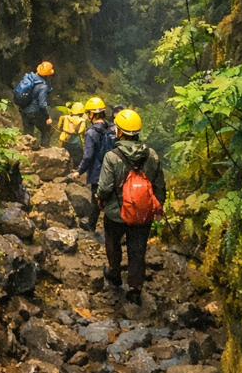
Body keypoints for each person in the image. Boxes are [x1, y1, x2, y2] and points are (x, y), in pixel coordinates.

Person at [96, 108, 166, 305]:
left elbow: (105, 187)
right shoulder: (151, 155)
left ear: (119, 131)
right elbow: (159, 185)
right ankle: (135, 288)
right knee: (137, 250)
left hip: (116, 212)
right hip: (143, 212)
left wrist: (100, 199)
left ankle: (115, 273)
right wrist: (158, 205)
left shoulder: (112, 156)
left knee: (113, 241)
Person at [71, 97, 114, 231]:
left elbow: (88, 156)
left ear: (91, 114)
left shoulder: (91, 133)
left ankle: (91, 226)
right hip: (112, 170)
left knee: (95, 199)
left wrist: (79, 171)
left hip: (97, 171)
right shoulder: (112, 128)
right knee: (111, 199)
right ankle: (111, 228)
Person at [18, 61, 55, 146]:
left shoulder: (28, 77)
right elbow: (42, 104)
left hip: (23, 109)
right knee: (46, 129)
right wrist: (47, 117)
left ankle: (26, 150)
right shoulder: (43, 86)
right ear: (47, 74)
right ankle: (45, 150)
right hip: (34, 112)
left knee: (28, 132)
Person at [57, 101, 87, 167]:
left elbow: (59, 127)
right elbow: (81, 131)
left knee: (63, 156)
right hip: (76, 142)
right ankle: (75, 169)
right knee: (77, 158)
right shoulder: (82, 121)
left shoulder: (64, 118)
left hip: (64, 139)